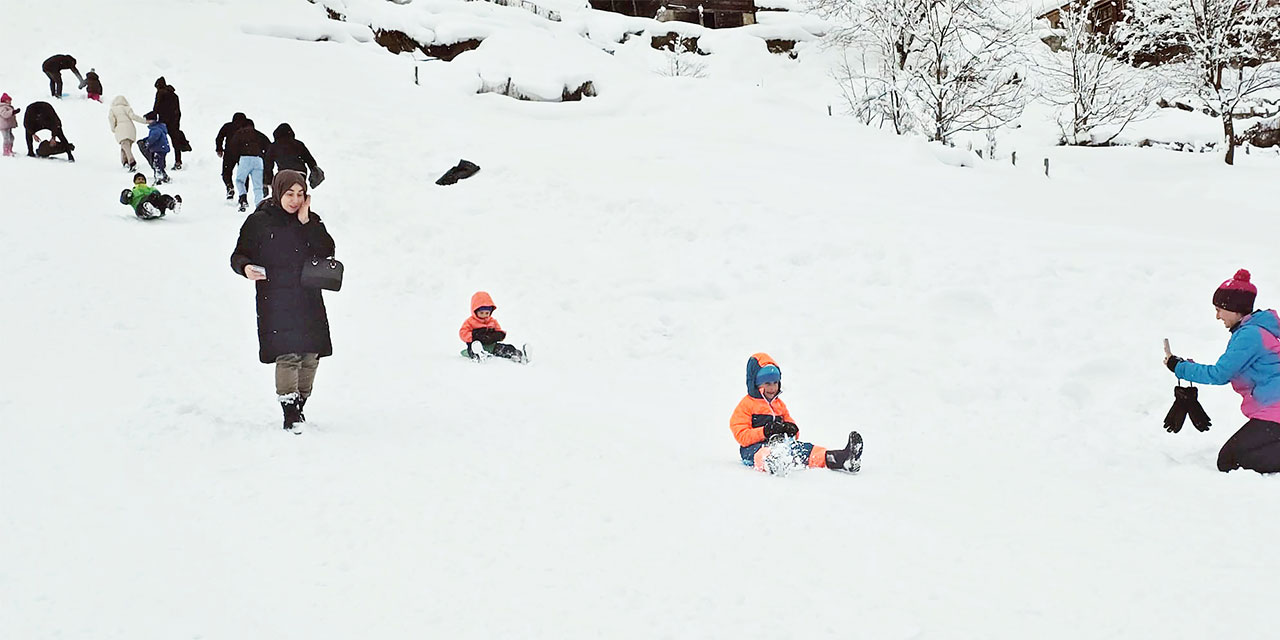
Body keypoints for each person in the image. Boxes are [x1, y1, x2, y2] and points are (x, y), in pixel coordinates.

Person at [229, 170, 336, 434]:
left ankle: (299, 403)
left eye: (300, 194)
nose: (295, 200)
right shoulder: (259, 222)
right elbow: (238, 254)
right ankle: (290, 412)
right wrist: (244, 267)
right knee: (288, 354)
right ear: (278, 192)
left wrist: (306, 222)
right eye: (290, 194)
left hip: (308, 295)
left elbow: (327, 251)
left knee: (310, 355)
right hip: (275, 296)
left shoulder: (310, 220)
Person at [1166, 269, 1280, 474]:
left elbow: (1219, 375)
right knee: (1233, 459)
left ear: (1235, 309)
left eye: (1219, 309)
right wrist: (1186, 366)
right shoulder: (1254, 330)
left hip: (1276, 412)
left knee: (1230, 461)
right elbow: (1229, 369)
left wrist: (1178, 367)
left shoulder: (1250, 335)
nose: (1217, 316)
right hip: (1273, 412)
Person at [730, 353, 863, 474]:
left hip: (781, 444)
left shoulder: (779, 405)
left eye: (775, 383)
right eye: (767, 383)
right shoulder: (746, 405)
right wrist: (764, 432)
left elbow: (793, 428)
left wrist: (790, 428)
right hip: (753, 449)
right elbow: (741, 435)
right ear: (756, 384)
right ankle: (773, 462)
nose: (772, 388)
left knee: (805, 450)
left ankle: (841, 459)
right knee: (763, 452)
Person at [459, 292, 526, 362]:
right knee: (474, 349)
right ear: (475, 311)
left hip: (491, 346)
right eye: (481, 313)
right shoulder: (470, 322)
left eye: (487, 313)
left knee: (505, 348)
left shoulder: (492, 321)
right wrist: (475, 336)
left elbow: (499, 330)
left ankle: (516, 354)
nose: (484, 315)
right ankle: (479, 355)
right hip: (476, 346)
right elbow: (463, 333)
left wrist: (497, 335)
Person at [225, 118, 271, 212]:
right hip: (258, 160)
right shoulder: (258, 134)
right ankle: (259, 206)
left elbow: (232, 147)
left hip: (245, 158)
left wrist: (238, 158)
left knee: (239, 180)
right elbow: (269, 146)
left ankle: (243, 198)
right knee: (258, 186)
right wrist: (262, 155)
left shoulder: (239, 134)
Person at [151, 78, 185, 169]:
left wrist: (152, 118)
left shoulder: (160, 93)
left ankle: (162, 163)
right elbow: (178, 111)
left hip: (164, 122)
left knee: (162, 143)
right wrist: (176, 122)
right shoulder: (174, 95)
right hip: (174, 122)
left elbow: (156, 108)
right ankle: (178, 161)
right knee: (175, 142)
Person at [107, 95, 147, 171]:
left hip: (120, 129)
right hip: (130, 128)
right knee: (126, 146)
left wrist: (113, 129)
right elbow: (133, 116)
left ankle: (131, 161)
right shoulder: (127, 108)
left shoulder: (112, 109)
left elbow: (111, 120)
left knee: (124, 146)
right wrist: (145, 121)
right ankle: (125, 162)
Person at [215, 112, 250, 199]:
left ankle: (229, 186)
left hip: (229, 153)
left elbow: (219, 137)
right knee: (244, 175)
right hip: (243, 153)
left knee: (226, 173)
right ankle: (244, 193)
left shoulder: (228, 126)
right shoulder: (247, 127)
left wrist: (219, 149)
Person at [141, 112, 171, 184]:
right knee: (160, 163)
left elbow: (153, 138)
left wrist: (147, 143)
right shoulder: (159, 127)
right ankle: (164, 176)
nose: (146, 122)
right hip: (162, 148)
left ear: (152, 120)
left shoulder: (155, 129)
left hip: (158, 149)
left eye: (147, 120)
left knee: (157, 164)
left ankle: (159, 177)